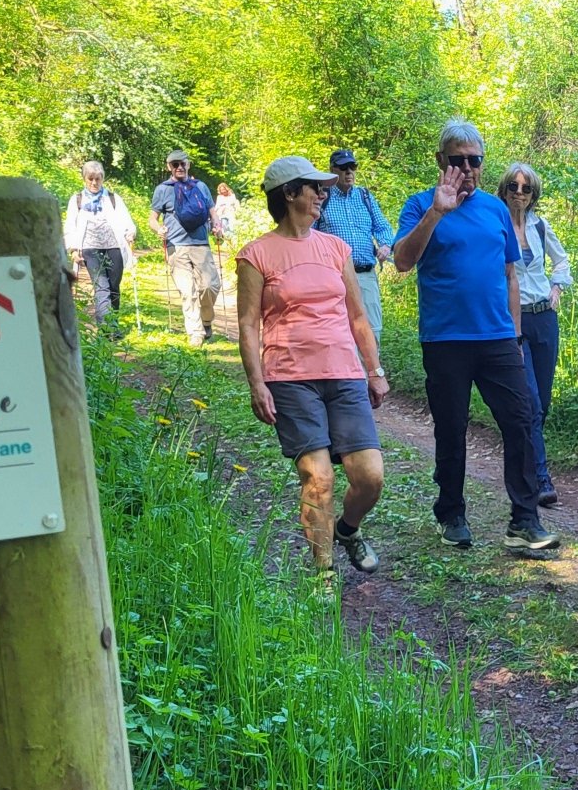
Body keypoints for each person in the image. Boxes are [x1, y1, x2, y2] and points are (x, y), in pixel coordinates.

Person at [392, 119, 559, 554]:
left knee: (520, 422)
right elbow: (404, 261)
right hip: (445, 339)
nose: (467, 168)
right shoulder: (419, 205)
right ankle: (451, 513)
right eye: (457, 159)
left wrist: (517, 339)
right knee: (452, 428)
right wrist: (437, 212)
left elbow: (511, 275)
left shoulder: (496, 209)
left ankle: (524, 520)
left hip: (499, 338)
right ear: (440, 161)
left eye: (475, 160)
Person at [235, 155, 390, 587]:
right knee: (318, 479)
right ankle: (323, 572)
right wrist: (257, 383)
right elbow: (248, 324)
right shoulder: (256, 255)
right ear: (289, 194)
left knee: (370, 476)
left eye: (322, 188)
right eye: (313, 188)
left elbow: (357, 315)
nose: (323, 194)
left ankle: (348, 529)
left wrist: (373, 370)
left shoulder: (335, 248)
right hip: (289, 378)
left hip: (344, 374)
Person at [498, 162, 572, 507]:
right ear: (504, 189)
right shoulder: (496, 224)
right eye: (513, 186)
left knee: (542, 402)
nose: (519, 193)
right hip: (513, 320)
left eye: (526, 188)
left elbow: (562, 261)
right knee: (529, 402)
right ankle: (540, 478)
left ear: (534, 193)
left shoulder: (541, 227)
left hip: (544, 318)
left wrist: (557, 289)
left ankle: (527, 465)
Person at [314, 148, 397, 341]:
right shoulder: (322, 198)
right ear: (332, 170)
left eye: (352, 167)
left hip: (365, 275)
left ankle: (371, 371)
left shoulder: (364, 197)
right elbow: (310, 234)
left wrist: (385, 245)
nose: (349, 172)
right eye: (343, 168)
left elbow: (383, 227)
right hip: (334, 277)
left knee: (371, 331)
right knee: (338, 333)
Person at [149, 149, 225, 345]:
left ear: (188, 165)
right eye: (175, 164)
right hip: (176, 245)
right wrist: (159, 229)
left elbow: (212, 211)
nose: (180, 167)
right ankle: (196, 333)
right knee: (187, 291)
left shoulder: (200, 186)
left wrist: (217, 225)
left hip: (200, 244)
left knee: (210, 286)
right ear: (169, 167)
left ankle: (206, 321)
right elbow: (152, 219)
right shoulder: (162, 189)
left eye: (183, 163)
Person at [62, 160, 137, 328]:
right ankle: (106, 328)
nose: (94, 183)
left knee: (114, 287)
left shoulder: (112, 198)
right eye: (91, 179)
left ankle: (113, 323)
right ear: (84, 179)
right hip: (89, 248)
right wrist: (74, 249)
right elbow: (70, 226)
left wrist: (131, 232)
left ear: (103, 178)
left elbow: (126, 221)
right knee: (101, 286)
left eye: (98, 178)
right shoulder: (77, 200)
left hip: (114, 246)